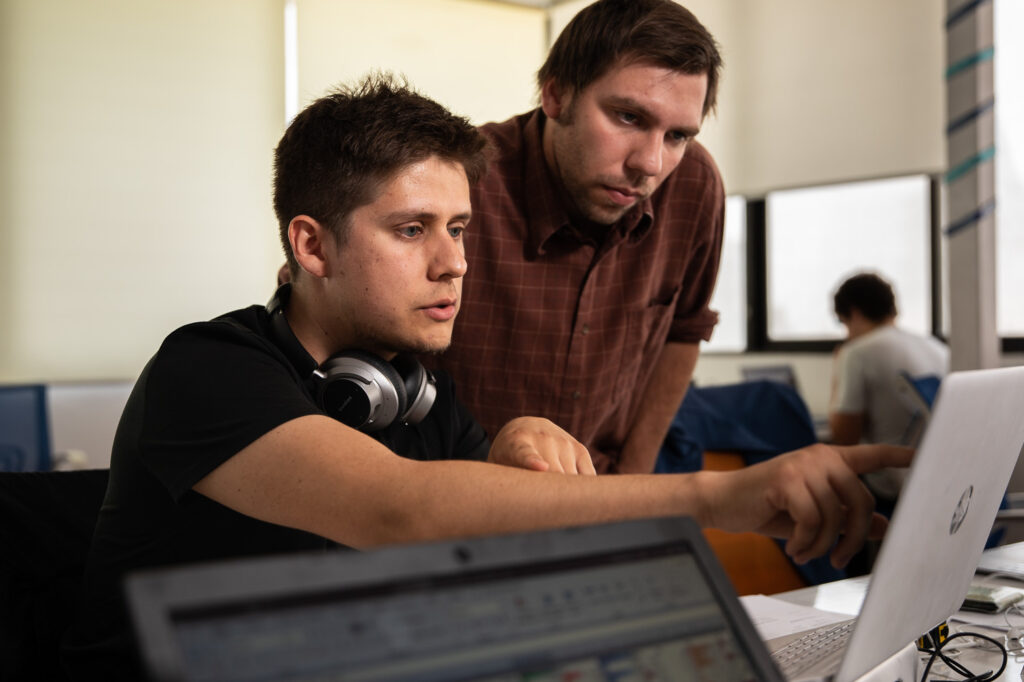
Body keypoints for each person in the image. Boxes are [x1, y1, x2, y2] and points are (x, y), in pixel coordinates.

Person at [62, 75, 909, 679]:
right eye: (412, 229)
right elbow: (402, 510)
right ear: (312, 246)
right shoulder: (208, 369)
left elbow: (505, 538)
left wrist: (515, 446)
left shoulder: (417, 392)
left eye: (461, 228)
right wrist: (719, 499)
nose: (453, 263)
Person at [427, 0, 726, 474]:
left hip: (601, 498)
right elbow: (328, 319)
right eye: (629, 117)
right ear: (555, 95)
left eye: (677, 136)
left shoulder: (694, 186)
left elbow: (683, 332)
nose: (649, 164)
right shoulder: (457, 180)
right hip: (452, 496)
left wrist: (632, 483)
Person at [829, 272, 948, 500]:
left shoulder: (856, 353)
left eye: (842, 323)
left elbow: (844, 438)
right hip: (942, 471)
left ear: (853, 313)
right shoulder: (936, 347)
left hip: (894, 483)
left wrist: (837, 370)